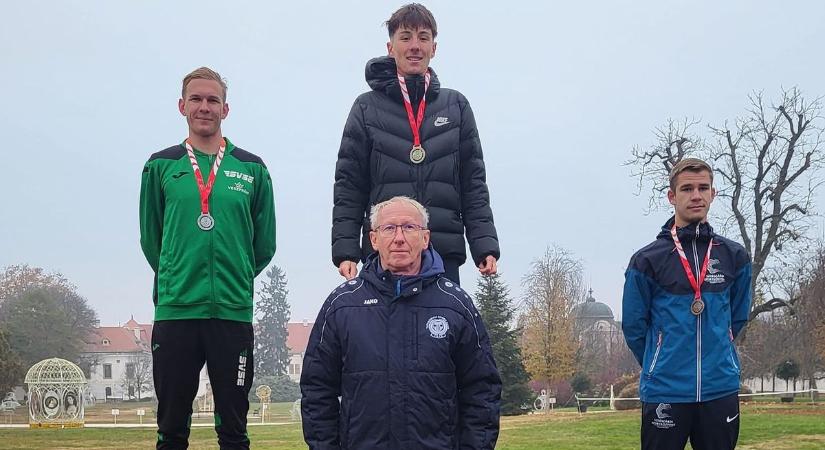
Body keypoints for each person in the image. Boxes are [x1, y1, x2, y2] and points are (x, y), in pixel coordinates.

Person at [139, 67, 276, 450]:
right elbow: (153, 239)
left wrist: (236, 275)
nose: (204, 107)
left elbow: (264, 244)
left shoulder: (252, 169)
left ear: (225, 109)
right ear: (182, 106)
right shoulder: (160, 166)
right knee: (171, 431)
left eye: (212, 100)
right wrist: (177, 272)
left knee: (234, 430)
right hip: (176, 312)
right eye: (196, 99)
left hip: (232, 313)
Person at [302, 196, 501, 449]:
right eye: (388, 228)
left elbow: (482, 390)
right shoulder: (342, 305)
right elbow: (317, 390)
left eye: (409, 227)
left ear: (425, 238)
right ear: (373, 239)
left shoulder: (455, 305)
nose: (399, 238)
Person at [332, 3, 499, 285]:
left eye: (423, 37)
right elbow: (349, 185)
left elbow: (473, 182)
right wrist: (346, 251)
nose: (415, 46)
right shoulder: (366, 108)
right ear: (390, 46)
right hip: (385, 252)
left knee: (443, 328)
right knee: (385, 329)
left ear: (434, 48)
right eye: (405, 37)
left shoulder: (456, 106)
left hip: (442, 251)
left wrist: (484, 245)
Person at [622, 158, 752, 450]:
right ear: (672, 196)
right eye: (687, 189)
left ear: (713, 194)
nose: (696, 195)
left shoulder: (735, 257)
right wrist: (660, 361)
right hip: (665, 391)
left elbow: (738, 317)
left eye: (703, 188)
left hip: (719, 389)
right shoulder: (647, 261)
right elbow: (633, 326)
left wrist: (717, 354)